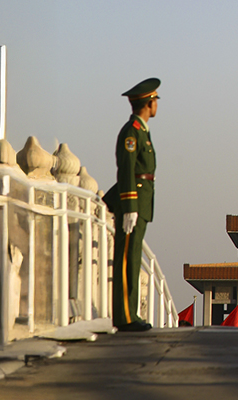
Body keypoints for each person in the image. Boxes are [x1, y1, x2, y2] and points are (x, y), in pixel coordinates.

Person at [107, 78, 161, 332]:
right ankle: (125, 316)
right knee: (126, 257)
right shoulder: (132, 132)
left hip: (141, 200)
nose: (157, 105)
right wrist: (129, 206)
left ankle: (130, 313)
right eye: (155, 100)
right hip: (134, 201)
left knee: (133, 256)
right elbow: (127, 169)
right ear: (148, 103)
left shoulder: (142, 132)